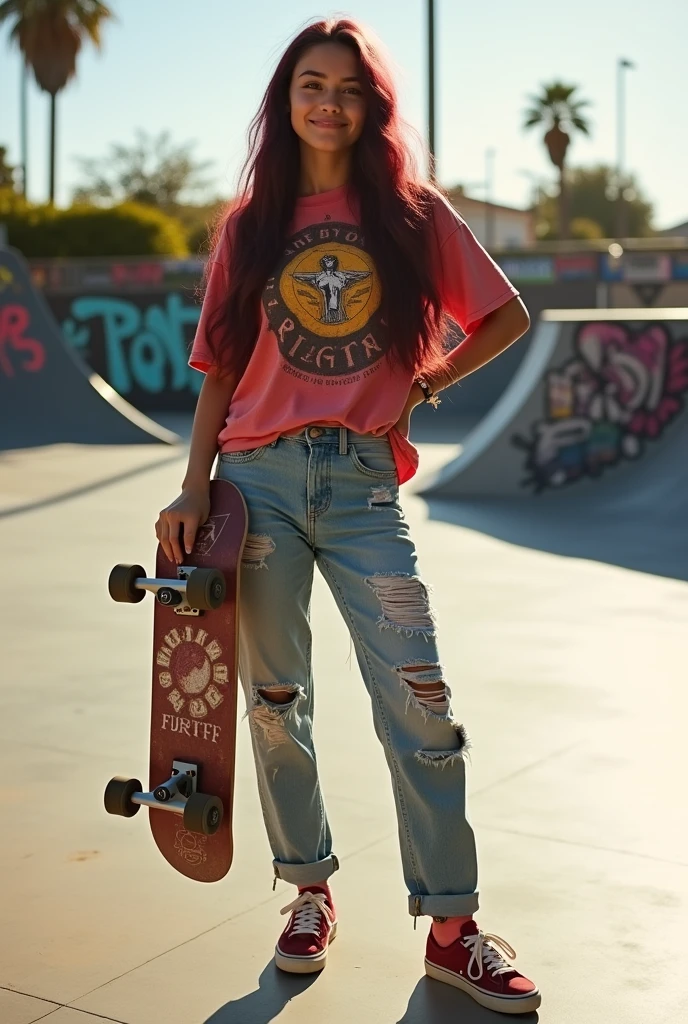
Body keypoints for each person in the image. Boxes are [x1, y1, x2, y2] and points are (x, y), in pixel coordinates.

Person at [156, 17, 539, 1015]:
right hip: (258, 485)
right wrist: (193, 485)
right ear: (285, 103)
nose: (327, 101)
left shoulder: (411, 215)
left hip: (366, 486)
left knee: (421, 699)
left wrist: (428, 379)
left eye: (347, 88)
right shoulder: (250, 225)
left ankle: (453, 929)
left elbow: (505, 315)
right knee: (277, 702)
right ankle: (307, 892)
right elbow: (221, 370)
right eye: (308, 84)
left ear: (371, 106)